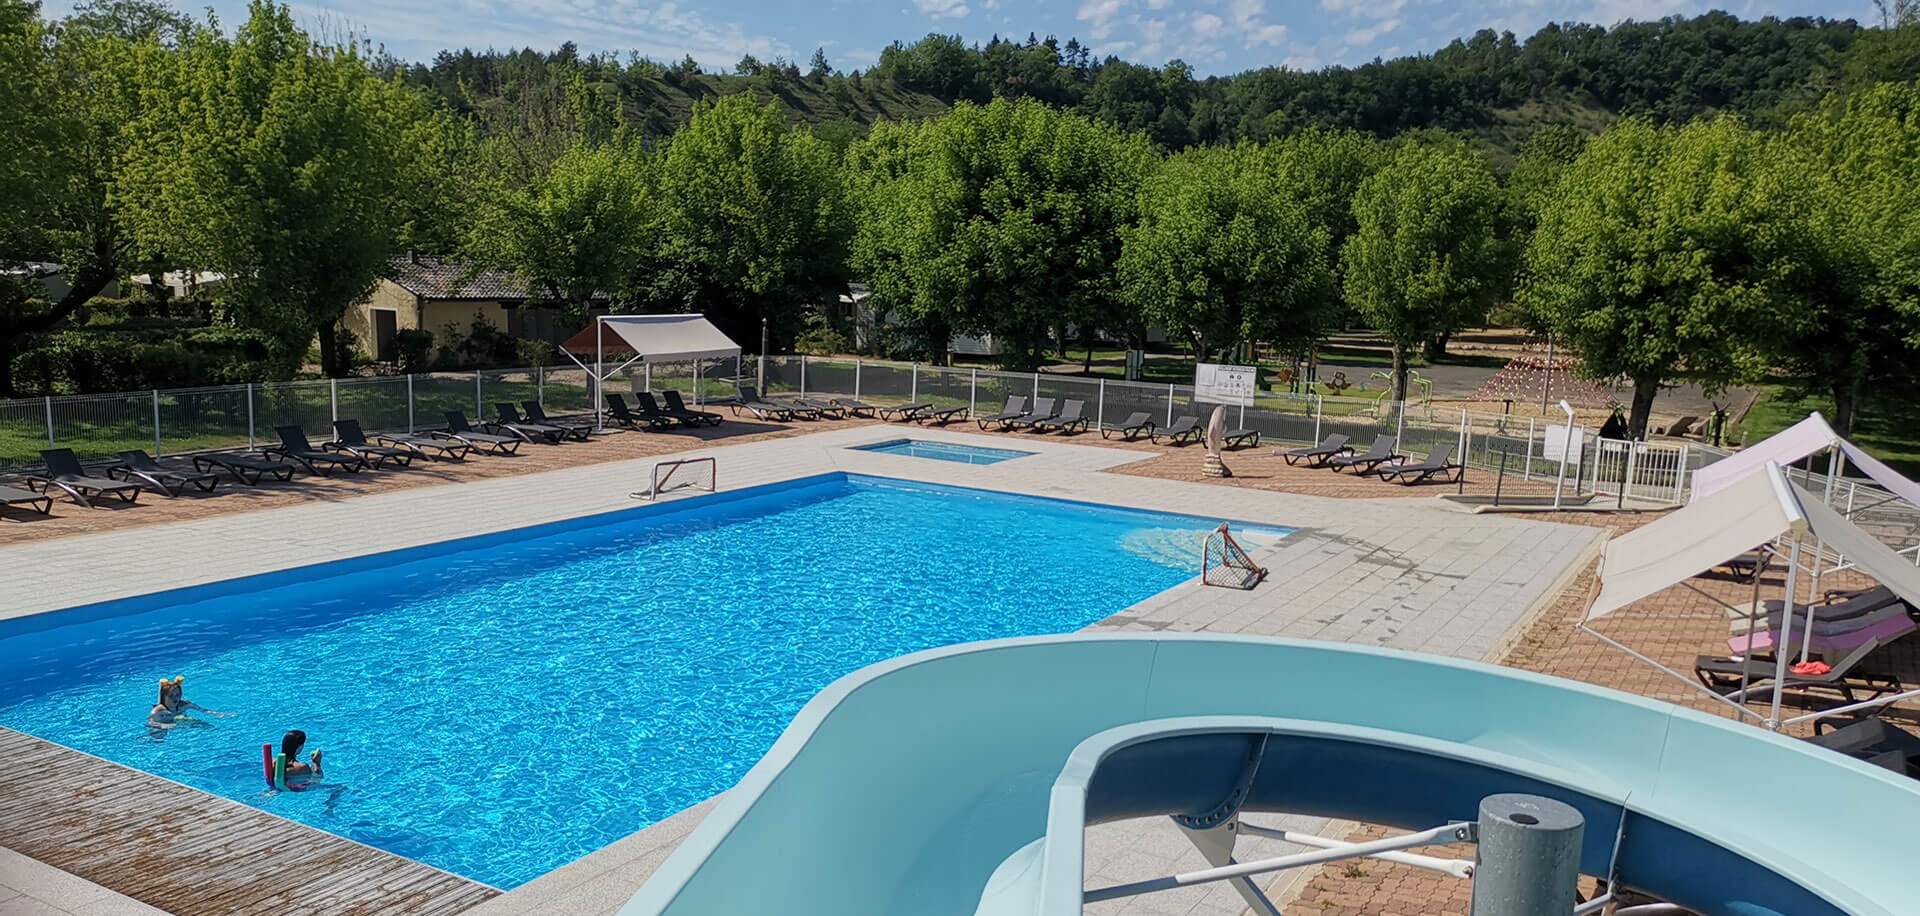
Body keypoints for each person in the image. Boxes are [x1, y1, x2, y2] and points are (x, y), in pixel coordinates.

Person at [146, 675, 232, 737]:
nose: (175, 698)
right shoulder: (158, 710)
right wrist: (166, 726)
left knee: (202, 724)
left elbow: (203, 710)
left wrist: (219, 714)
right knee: (159, 736)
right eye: (171, 696)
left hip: (176, 721)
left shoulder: (184, 704)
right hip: (162, 725)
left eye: (177, 695)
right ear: (164, 697)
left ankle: (218, 734)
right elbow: (150, 723)